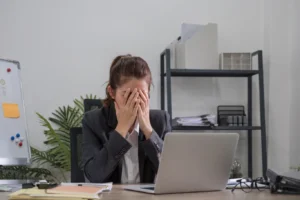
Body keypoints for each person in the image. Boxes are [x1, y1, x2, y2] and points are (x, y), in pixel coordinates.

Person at [81, 55, 172, 183]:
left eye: (141, 94)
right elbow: (94, 176)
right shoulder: (93, 121)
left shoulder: (160, 121)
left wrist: (148, 130)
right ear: (112, 92)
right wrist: (121, 130)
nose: (134, 101)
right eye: (128, 94)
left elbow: (173, 174)